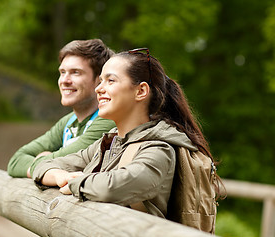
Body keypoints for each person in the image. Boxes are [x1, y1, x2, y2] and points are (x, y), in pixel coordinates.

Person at [32, 48, 216, 218]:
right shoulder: (109, 143)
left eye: (110, 80)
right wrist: (60, 176)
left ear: (141, 91)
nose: (99, 88)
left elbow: (116, 186)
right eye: (100, 80)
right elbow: (41, 166)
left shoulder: (159, 148)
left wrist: (75, 182)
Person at [7, 39, 116, 178]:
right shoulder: (68, 122)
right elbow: (15, 161)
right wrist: (46, 168)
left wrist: (40, 160)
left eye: (75, 72)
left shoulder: (109, 119)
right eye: (62, 72)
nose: (64, 80)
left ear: (99, 80)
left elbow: (62, 161)